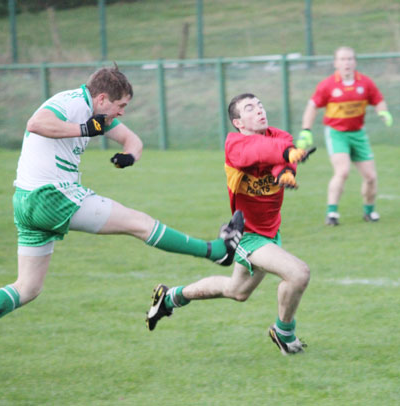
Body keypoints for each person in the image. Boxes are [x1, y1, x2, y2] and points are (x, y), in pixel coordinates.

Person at [0, 65, 245, 385]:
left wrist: (129, 156)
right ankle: (217, 251)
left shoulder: (94, 113)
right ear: (102, 98)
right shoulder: (74, 103)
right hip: (51, 196)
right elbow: (36, 123)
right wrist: (84, 129)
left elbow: (131, 138)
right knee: (140, 223)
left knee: (28, 287)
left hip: (26, 201)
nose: (122, 112)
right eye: (121, 106)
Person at [146, 93, 315, 355]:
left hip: (270, 231)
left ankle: (170, 298)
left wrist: (286, 172)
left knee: (237, 291)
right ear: (238, 122)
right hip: (247, 234)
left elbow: (278, 160)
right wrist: (285, 155)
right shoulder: (234, 145)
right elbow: (257, 152)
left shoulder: (280, 137)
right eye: (250, 108)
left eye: (260, 104)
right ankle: (284, 333)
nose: (259, 109)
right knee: (298, 274)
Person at [297, 46, 393, 226]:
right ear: (335, 63)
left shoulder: (365, 83)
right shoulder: (327, 85)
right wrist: (306, 130)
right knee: (342, 171)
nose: (346, 63)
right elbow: (312, 107)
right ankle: (332, 213)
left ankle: (369, 212)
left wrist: (383, 112)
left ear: (355, 62)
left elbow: (378, 100)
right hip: (337, 134)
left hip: (358, 134)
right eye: (342, 59)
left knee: (371, 177)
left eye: (349, 59)